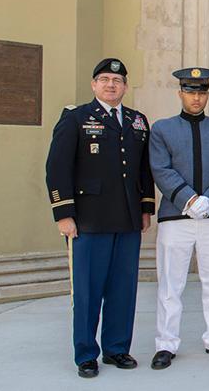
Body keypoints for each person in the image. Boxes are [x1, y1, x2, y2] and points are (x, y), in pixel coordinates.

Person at [45, 58, 155, 378]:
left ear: (124, 86)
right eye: (104, 79)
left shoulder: (137, 121)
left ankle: (117, 348)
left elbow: (143, 170)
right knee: (89, 290)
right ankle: (86, 353)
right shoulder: (76, 118)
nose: (111, 85)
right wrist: (64, 214)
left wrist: (146, 208)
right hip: (89, 220)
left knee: (123, 289)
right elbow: (57, 169)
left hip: (128, 219)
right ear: (94, 84)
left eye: (117, 80)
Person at [148, 68, 209, 369]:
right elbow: (160, 169)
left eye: (201, 92)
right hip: (176, 216)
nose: (196, 97)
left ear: (207, 95)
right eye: (190, 92)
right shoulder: (162, 129)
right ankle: (166, 343)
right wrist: (188, 199)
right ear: (180, 94)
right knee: (171, 284)